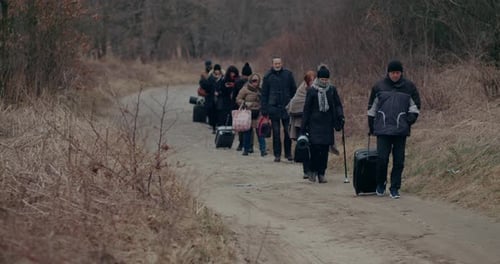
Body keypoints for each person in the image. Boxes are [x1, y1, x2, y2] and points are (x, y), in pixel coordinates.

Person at [367, 60, 421, 198]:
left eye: (397, 73)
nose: (395, 75)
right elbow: (372, 108)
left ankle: (395, 188)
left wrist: (408, 121)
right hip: (382, 130)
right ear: (388, 73)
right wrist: (371, 126)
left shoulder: (409, 87)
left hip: (400, 130)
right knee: (382, 159)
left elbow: (415, 107)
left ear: (401, 73)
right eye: (393, 73)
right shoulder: (379, 86)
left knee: (399, 161)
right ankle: (380, 184)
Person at [301, 65, 344, 183]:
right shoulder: (312, 91)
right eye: (322, 79)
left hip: (327, 123)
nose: (324, 81)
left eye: (326, 79)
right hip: (314, 124)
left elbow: (338, 104)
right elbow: (306, 109)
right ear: (318, 79)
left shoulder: (332, 90)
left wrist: (340, 116)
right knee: (315, 149)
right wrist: (303, 127)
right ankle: (313, 170)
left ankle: (322, 173)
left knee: (325, 149)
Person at [261, 56, 297, 162]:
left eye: (279, 63)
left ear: (282, 64)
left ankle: (288, 153)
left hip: (286, 107)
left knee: (287, 131)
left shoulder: (288, 74)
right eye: (275, 63)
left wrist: (293, 104)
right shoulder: (267, 76)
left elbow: (294, 90)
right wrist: (264, 110)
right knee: (276, 133)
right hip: (273, 108)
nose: (277, 65)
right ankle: (277, 154)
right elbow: (264, 94)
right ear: (272, 64)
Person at [286, 70, 315, 178]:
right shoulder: (301, 90)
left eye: (314, 80)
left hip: (314, 123)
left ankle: (314, 169)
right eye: (310, 80)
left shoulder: (319, 91)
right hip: (301, 123)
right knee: (304, 148)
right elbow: (294, 104)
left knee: (315, 148)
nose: (312, 82)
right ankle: (306, 170)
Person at [236, 73, 267, 157]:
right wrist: (245, 103)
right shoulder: (245, 89)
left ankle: (263, 150)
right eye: (253, 80)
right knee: (247, 132)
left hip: (259, 113)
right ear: (250, 81)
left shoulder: (261, 90)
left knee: (260, 132)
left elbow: (265, 100)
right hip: (248, 113)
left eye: (257, 81)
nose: (255, 82)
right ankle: (246, 149)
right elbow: (238, 99)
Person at [234, 62, 253, 152]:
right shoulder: (253, 82)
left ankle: (241, 144)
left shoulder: (237, 82)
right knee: (250, 126)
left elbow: (234, 95)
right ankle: (250, 146)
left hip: (241, 107)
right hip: (252, 107)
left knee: (241, 126)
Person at [205, 64, 224, 133]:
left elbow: (224, 89)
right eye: (216, 70)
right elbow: (207, 88)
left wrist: (219, 93)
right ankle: (213, 127)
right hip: (211, 98)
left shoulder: (223, 78)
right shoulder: (210, 78)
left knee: (219, 113)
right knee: (212, 113)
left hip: (220, 98)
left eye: (218, 70)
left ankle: (218, 126)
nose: (217, 72)